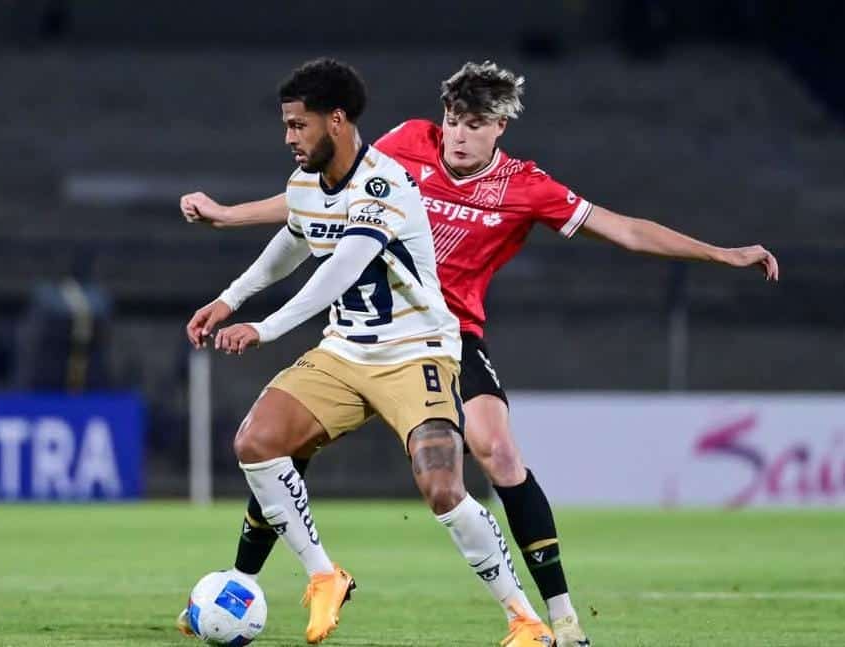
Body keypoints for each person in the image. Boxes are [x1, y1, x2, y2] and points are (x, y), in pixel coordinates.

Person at [181, 61, 780, 647]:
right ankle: (249, 581)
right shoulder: (409, 145)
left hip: (447, 334)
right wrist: (232, 217)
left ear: (500, 128)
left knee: (495, 451)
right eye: (453, 120)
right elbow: (319, 199)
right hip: (359, 330)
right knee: (276, 444)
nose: (459, 135)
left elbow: (623, 230)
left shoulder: (526, 186)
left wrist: (719, 255)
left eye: (474, 124)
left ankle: (559, 620)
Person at [179, 58, 555, 647]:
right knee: (256, 442)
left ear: (335, 121)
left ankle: (525, 619)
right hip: (346, 351)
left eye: (298, 126)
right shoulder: (305, 185)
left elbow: (345, 265)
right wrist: (229, 300)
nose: (288, 138)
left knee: (440, 485)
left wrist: (266, 327)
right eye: (286, 125)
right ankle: (325, 575)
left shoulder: (385, 183)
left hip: (417, 350)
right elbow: (294, 241)